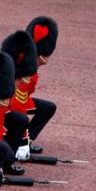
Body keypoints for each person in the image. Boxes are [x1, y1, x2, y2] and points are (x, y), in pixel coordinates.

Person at [0, 30, 41, 162]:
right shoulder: (5, 88)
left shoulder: (18, 76)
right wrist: (23, 141)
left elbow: (27, 94)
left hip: (11, 114)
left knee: (47, 108)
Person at [20, 16, 59, 152]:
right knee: (20, 118)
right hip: (6, 108)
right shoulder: (24, 69)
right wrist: (22, 140)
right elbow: (16, 106)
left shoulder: (30, 62)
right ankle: (19, 145)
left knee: (48, 108)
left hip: (19, 102)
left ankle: (27, 142)